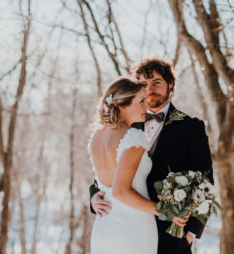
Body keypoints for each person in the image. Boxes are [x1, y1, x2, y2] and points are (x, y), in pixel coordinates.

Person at [90, 58, 214, 254]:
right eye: (143, 84)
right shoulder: (125, 128)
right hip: (128, 228)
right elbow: (107, 173)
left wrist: (192, 232)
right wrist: (94, 197)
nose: (149, 90)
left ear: (170, 84)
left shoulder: (191, 127)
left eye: (156, 82)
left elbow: (205, 182)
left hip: (173, 235)